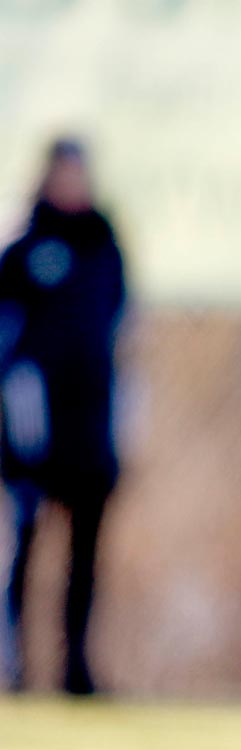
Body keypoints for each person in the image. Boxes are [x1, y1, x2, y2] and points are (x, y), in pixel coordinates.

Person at [0, 137, 129, 695]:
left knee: (86, 551)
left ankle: (76, 670)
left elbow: (121, 322)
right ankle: (16, 669)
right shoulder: (24, 246)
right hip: (34, 425)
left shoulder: (103, 241)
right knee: (26, 540)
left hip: (91, 421)